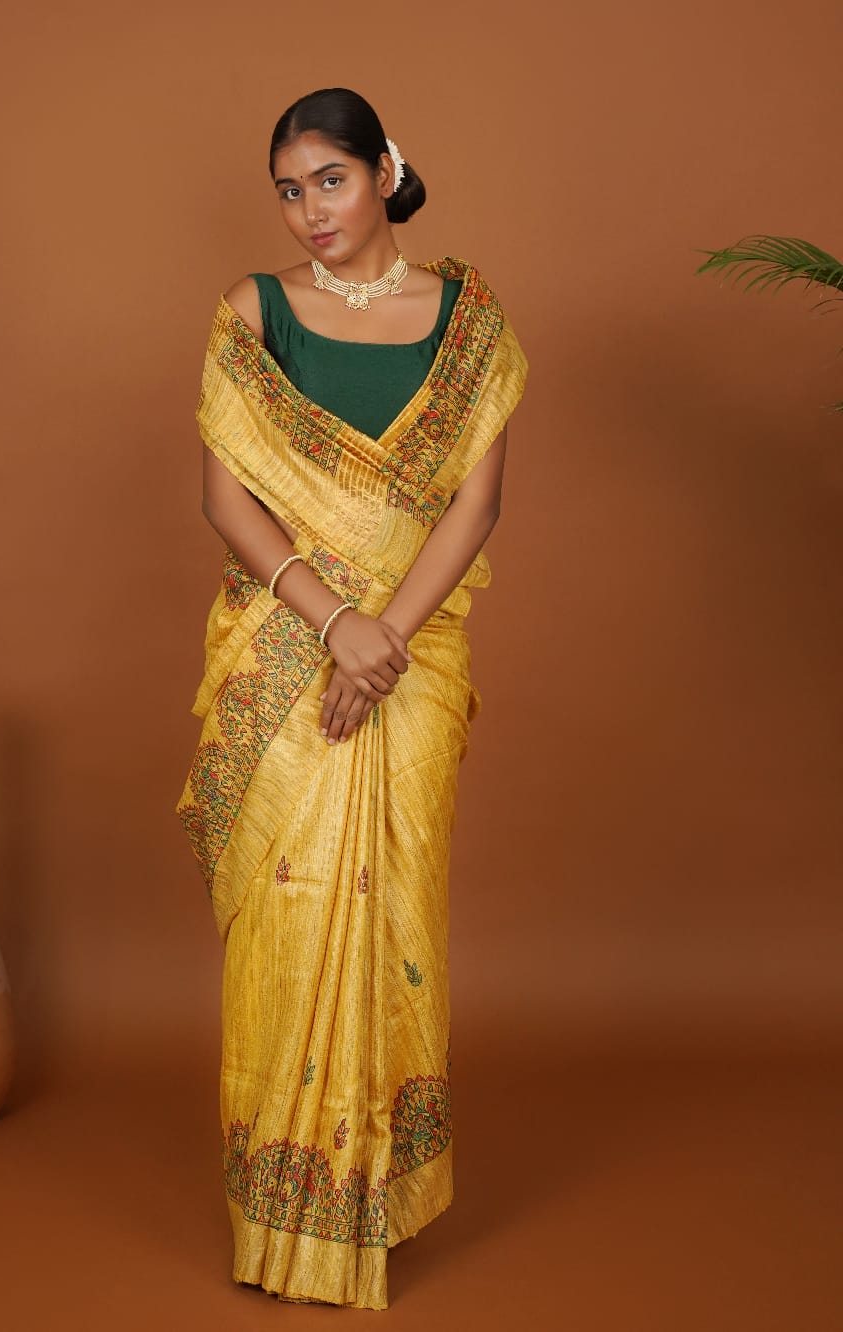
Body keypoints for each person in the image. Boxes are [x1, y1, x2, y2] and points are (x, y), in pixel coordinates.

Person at [177, 87, 527, 1310]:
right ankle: (283, 1210)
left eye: (328, 179)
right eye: (288, 190)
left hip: (412, 660)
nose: (309, 210)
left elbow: (476, 503)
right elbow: (226, 499)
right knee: (285, 920)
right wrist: (338, 625)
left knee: (397, 914)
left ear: (384, 169)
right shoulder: (253, 311)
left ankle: (371, 1197)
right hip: (287, 648)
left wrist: (387, 642)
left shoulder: (468, 324)